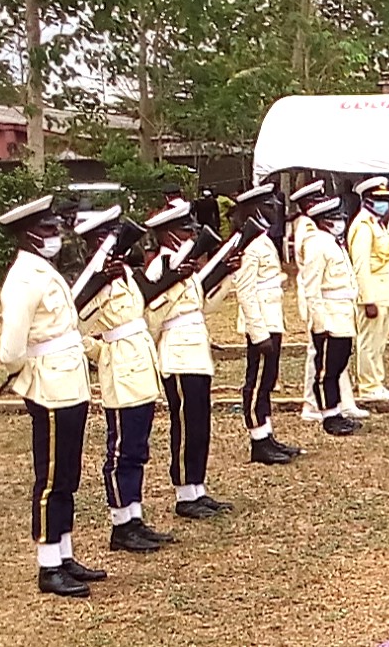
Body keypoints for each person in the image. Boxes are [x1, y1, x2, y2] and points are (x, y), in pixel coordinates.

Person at [0, 195, 104, 598]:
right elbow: (11, 349)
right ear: (27, 234)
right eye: (46, 229)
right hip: (49, 385)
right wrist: (25, 373)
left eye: (54, 227)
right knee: (51, 478)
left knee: (68, 475)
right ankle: (48, 565)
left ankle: (64, 553)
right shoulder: (24, 279)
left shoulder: (43, 270)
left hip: (69, 381)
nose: (54, 234)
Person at [75, 206, 172, 553]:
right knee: (120, 453)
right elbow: (74, 326)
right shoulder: (92, 281)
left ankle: (135, 517)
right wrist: (101, 353)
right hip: (120, 371)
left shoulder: (126, 273)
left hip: (141, 367)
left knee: (138, 449)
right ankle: (121, 524)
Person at [145, 200, 233, 520]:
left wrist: (226, 275)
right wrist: (174, 281)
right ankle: (184, 493)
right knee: (184, 426)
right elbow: (151, 317)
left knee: (200, 425)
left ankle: (198, 487)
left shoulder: (187, 265)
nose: (191, 236)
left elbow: (201, 307)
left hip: (196, 352)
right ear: (168, 234)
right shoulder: (160, 268)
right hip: (177, 355)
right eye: (185, 231)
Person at [230, 184, 303, 464]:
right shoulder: (249, 244)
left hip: (272, 319)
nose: (274, 209)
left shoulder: (262, 238)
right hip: (261, 323)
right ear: (255, 209)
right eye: (268, 205)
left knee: (268, 380)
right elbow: (246, 292)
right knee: (257, 382)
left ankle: (267, 434)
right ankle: (258, 440)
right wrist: (259, 333)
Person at [292, 181, 368, 424]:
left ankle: (337, 407)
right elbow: (312, 286)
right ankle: (322, 409)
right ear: (323, 220)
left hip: (342, 311)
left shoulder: (333, 242)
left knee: (338, 362)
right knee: (324, 366)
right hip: (328, 311)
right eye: (335, 218)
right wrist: (319, 323)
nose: (340, 222)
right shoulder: (315, 240)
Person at [348, 177, 389, 402]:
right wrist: (367, 300)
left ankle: (376, 382)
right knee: (369, 343)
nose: (385, 204)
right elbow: (361, 266)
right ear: (367, 201)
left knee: (379, 343)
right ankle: (368, 385)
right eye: (380, 200)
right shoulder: (362, 226)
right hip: (373, 295)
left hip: (385, 293)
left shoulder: (376, 224)